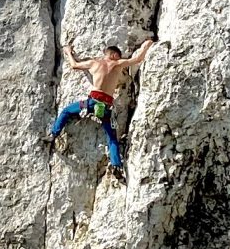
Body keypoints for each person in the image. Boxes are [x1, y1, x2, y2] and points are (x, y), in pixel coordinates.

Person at [49, 36, 162, 177]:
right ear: (114, 55)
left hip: (90, 103)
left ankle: (53, 134)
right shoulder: (117, 64)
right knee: (112, 138)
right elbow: (138, 59)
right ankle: (116, 165)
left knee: (66, 111)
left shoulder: (94, 63)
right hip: (106, 108)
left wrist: (67, 52)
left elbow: (74, 65)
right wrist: (147, 44)